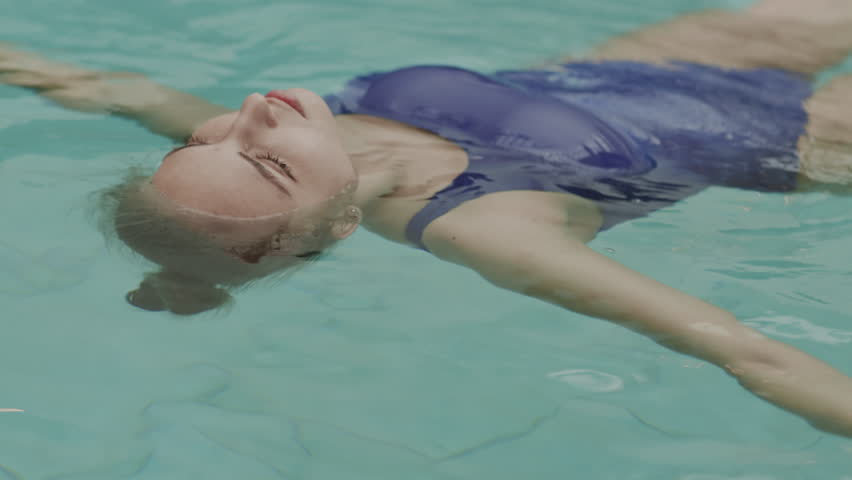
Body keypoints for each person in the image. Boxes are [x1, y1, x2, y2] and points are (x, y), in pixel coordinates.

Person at [3, 0, 852, 438]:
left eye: (202, 138)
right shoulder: (485, 229)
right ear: (335, 227)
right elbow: (739, 346)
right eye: (267, 158)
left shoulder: (303, 133)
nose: (252, 112)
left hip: (636, 70)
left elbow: (110, 88)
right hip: (785, 143)